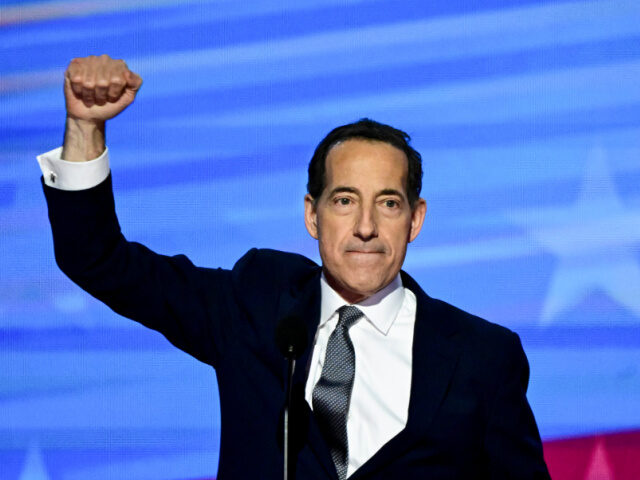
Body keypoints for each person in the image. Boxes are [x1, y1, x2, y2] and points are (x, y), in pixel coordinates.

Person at [38, 55, 551, 479]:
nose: (366, 226)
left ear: (415, 219)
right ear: (312, 214)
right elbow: (98, 259)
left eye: (389, 204)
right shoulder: (256, 305)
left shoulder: (484, 357)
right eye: (345, 200)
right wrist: (85, 127)